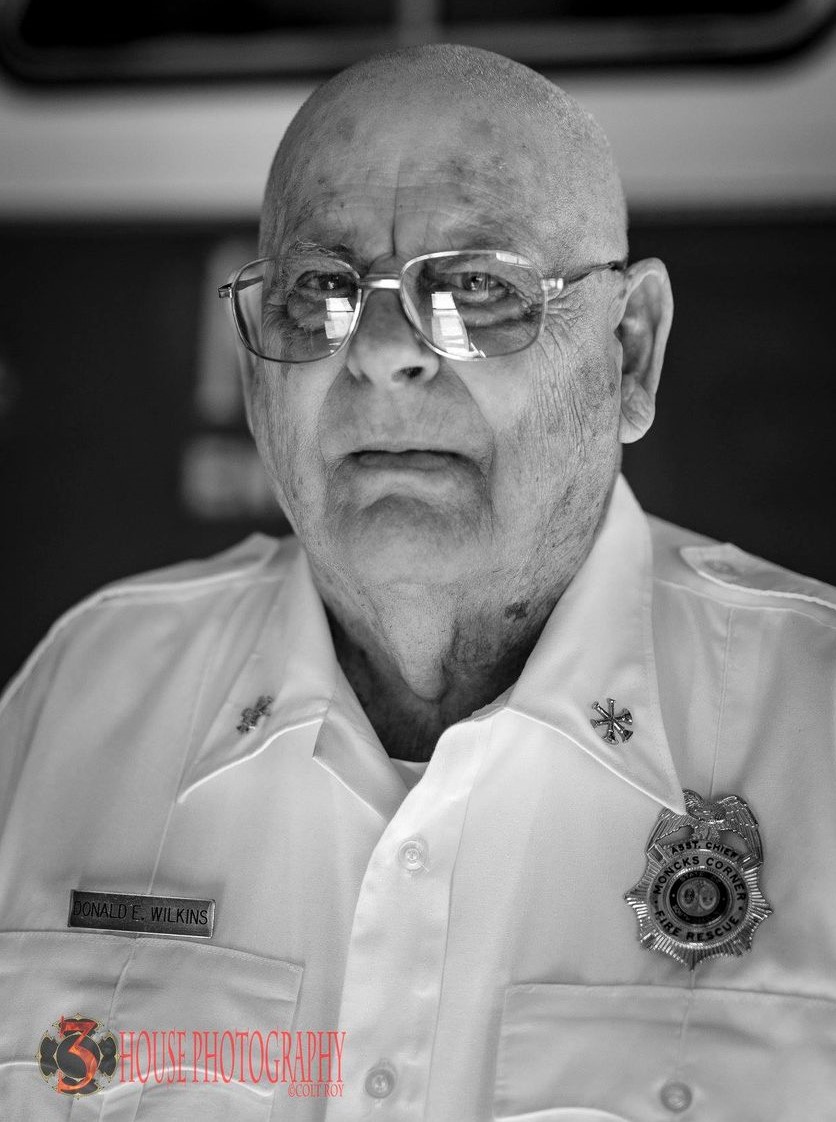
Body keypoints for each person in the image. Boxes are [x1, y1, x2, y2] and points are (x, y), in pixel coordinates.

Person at [1, 43, 835, 1122]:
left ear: (629, 352)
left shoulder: (814, 719)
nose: (381, 352)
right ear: (254, 373)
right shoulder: (84, 697)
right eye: (321, 288)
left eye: (478, 286)